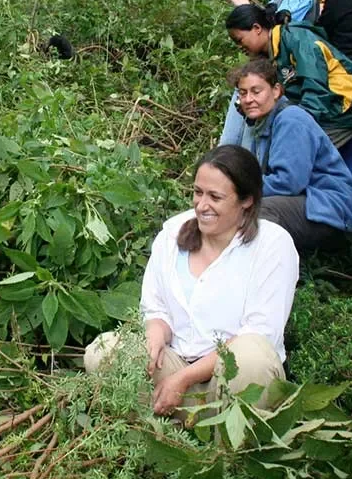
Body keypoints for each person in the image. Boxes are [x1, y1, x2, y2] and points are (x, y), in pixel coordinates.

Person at [83, 145, 299, 420]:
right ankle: (161, 432)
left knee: (252, 356)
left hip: (230, 378)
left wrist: (184, 379)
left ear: (246, 200)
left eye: (215, 197)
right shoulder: (173, 233)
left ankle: (229, 443)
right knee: (103, 353)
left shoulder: (272, 245)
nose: (201, 205)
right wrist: (155, 336)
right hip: (175, 364)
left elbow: (259, 334)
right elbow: (155, 307)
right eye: (198, 193)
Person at [219, 58, 352, 252]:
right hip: (307, 204)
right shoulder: (262, 121)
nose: (248, 99)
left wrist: (237, 190)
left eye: (256, 91)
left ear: (276, 90)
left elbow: (288, 183)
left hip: (330, 208)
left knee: (258, 211)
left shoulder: (291, 119)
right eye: (243, 93)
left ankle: (258, 275)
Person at [224, 3, 352, 179]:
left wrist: (295, 128)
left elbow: (316, 89)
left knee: (295, 152)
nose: (239, 46)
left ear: (257, 28)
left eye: (239, 39)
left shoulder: (296, 38)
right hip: (329, 109)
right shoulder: (272, 55)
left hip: (345, 106)